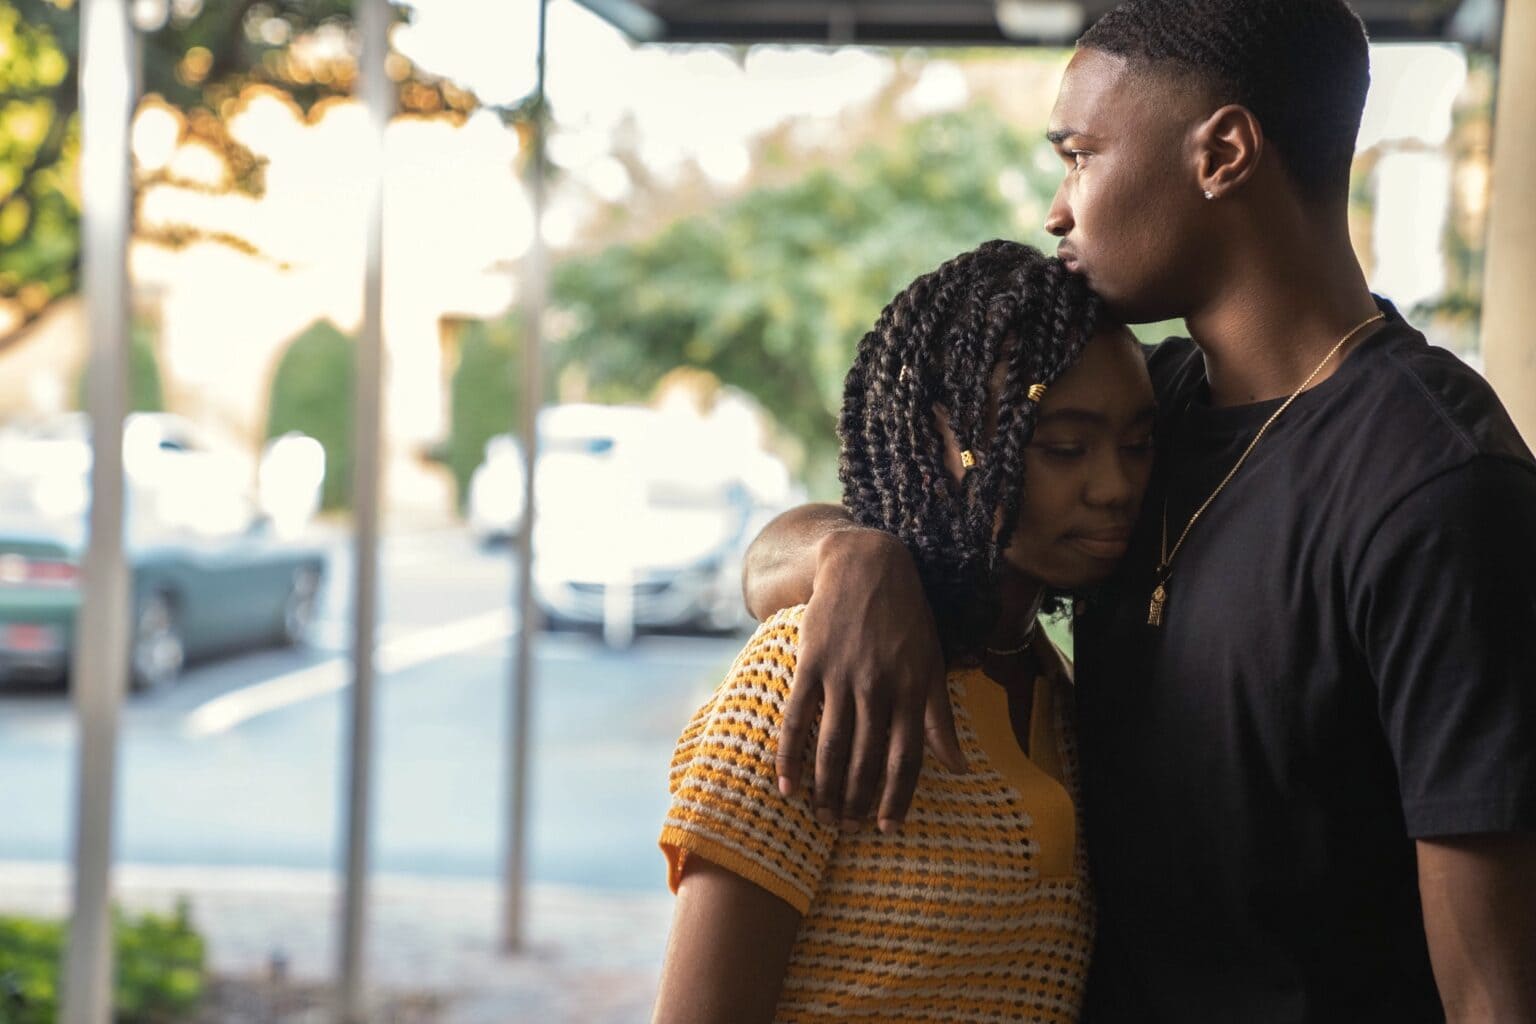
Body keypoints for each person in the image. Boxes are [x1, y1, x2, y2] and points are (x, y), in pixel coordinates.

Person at [742, 2, 1536, 1022]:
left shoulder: (1437, 486)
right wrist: (854, 559)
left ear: (1224, 153)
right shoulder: (1139, 415)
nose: (1057, 210)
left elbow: (1497, 988)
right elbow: (772, 560)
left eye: (1080, 155)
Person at [652, 240, 1157, 1023]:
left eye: (1136, 445)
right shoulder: (809, 667)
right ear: (947, 442)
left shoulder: (1058, 692)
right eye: (1065, 447)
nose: (1115, 487)